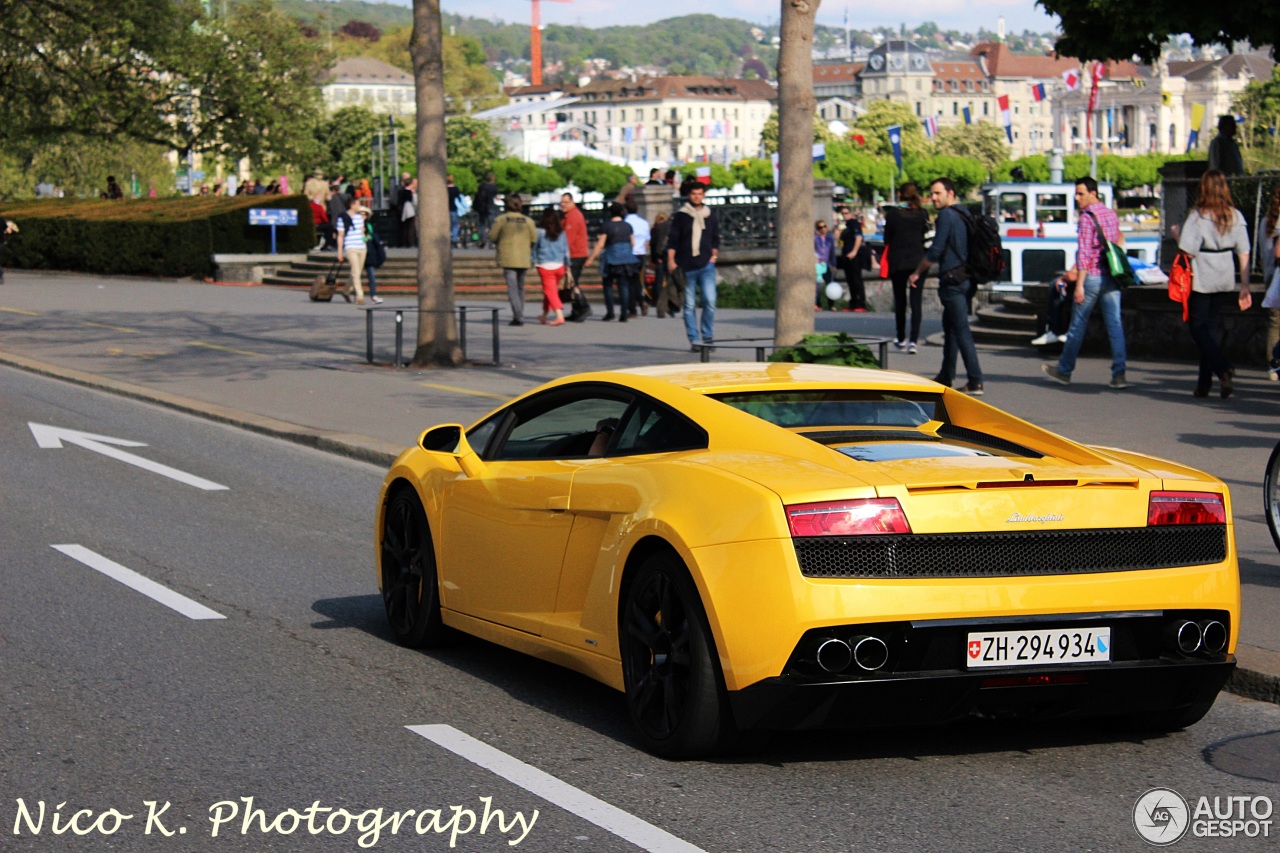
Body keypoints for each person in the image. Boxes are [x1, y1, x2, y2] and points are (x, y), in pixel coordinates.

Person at [1041, 176, 1129, 389]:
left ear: (1093, 193)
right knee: (1115, 325)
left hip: (1091, 276)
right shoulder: (1110, 214)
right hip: (1112, 276)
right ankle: (1119, 374)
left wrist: (1079, 285)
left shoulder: (1087, 218)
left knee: (1077, 326)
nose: (1077, 198)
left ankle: (1064, 370)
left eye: (1081, 193)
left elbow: (1084, 254)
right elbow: (1119, 240)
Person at [1176, 169, 1252, 398]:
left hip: (1203, 275)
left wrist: (1176, 236)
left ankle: (1222, 367)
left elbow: (1187, 251)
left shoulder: (1199, 216)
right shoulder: (1235, 216)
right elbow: (1244, 252)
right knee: (1209, 329)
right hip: (1225, 274)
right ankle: (1204, 384)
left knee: (1197, 328)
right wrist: (1245, 286)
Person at [908, 177, 984, 395]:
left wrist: (917, 272)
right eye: (932, 193)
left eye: (937, 193)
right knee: (950, 327)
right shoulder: (965, 213)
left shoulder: (947, 216)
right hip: (967, 277)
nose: (933, 198)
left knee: (961, 330)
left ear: (950, 193)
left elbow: (936, 250)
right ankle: (946, 374)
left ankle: (976, 379)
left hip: (952, 280)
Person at [667, 180, 720, 349]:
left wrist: (714, 256)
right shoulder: (681, 215)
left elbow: (716, 238)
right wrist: (671, 260)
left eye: (700, 194)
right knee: (689, 305)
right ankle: (695, 340)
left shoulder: (710, 214)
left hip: (706, 265)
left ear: (703, 195)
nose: (697, 197)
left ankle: (708, 336)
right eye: (693, 194)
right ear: (689, 195)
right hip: (686, 265)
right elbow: (673, 240)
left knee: (709, 301)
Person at [884, 183, 929, 351]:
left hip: (898, 261)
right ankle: (914, 341)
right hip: (918, 262)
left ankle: (901, 337)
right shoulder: (922, 213)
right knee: (916, 302)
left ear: (899, 194)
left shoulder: (893, 214)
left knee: (900, 301)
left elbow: (887, 238)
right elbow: (927, 236)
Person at [489, 194, 537, 326]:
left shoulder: (501, 220)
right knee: (520, 287)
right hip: (523, 257)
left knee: (512, 288)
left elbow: (493, 236)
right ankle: (519, 312)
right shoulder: (528, 221)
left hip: (508, 257)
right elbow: (534, 238)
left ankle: (518, 315)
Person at [584, 202, 636, 322]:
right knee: (623, 286)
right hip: (625, 258)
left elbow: (600, 244)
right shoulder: (628, 226)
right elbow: (633, 243)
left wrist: (591, 258)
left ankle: (610, 312)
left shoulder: (607, 226)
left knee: (608, 285)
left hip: (611, 258)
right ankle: (624, 313)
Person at [533, 208, 568, 326]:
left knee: (550, 291)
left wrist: (534, 261)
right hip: (560, 265)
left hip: (545, 265)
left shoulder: (539, 232)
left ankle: (559, 316)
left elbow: (534, 248)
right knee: (550, 290)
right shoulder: (561, 232)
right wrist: (567, 264)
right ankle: (544, 314)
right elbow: (566, 251)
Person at [336, 198, 372, 305]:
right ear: (352, 205)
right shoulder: (342, 218)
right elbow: (340, 236)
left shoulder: (359, 217)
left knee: (356, 272)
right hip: (351, 247)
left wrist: (364, 240)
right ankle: (360, 296)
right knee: (356, 272)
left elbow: (361, 232)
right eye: (358, 204)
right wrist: (340, 252)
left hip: (361, 247)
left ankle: (346, 290)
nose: (359, 206)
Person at [1260, 185, 1280, 381]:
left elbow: (1264, 253)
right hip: (1277, 276)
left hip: (1271, 278)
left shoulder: (1266, 223)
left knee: (1274, 325)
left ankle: (1273, 366)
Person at [836, 205, 866, 312]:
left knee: (856, 280)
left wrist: (854, 251)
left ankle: (861, 304)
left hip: (854, 256)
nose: (844, 215)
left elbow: (858, 237)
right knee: (850, 280)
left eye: (846, 213)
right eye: (842, 213)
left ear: (851, 214)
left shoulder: (854, 223)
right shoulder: (846, 226)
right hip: (847, 256)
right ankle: (853, 303)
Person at [624, 197, 651, 316]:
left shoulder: (625, 222)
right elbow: (647, 240)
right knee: (637, 280)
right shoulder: (644, 223)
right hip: (641, 254)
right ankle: (641, 301)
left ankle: (633, 308)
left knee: (630, 282)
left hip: (629, 254)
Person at [649, 212, 680, 318]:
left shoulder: (659, 227)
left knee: (659, 282)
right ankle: (670, 306)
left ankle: (660, 307)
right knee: (671, 283)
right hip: (672, 258)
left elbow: (653, 243)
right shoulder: (677, 227)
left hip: (660, 257)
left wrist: (655, 258)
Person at [560, 193, 590, 286]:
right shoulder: (570, 215)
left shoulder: (573, 216)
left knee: (572, 284)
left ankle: (582, 301)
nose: (563, 204)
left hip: (575, 254)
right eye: (561, 202)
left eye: (566, 202)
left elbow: (568, 239)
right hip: (576, 254)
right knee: (573, 284)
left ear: (572, 202)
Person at [813, 220, 837, 310]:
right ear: (817, 229)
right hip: (818, 264)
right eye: (820, 227)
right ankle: (817, 304)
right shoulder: (814, 238)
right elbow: (812, 250)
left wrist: (833, 265)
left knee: (830, 284)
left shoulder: (829, 238)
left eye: (824, 226)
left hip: (827, 264)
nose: (823, 229)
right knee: (817, 285)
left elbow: (832, 252)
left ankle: (831, 305)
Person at [473, 172, 499, 249]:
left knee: (481, 225)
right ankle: (492, 242)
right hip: (491, 206)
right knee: (492, 225)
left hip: (482, 207)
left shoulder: (482, 186)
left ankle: (483, 239)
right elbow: (495, 196)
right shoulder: (494, 187)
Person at [397, 176, 417, 248]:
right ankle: (411, 242)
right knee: (411, 227)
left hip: (403, 210)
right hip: (410, 211)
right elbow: (414, 202)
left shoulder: (401, 191)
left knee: (405, 227)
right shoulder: (409, 192)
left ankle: (405, 243)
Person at [446, 174, 462, 248]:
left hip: (445, 209)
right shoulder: (455, 189)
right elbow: (460, 199)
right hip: (453, 209)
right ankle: (454, 239)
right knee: (455, 225)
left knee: (446, 225)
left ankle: (447, 238)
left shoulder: (444, 189)